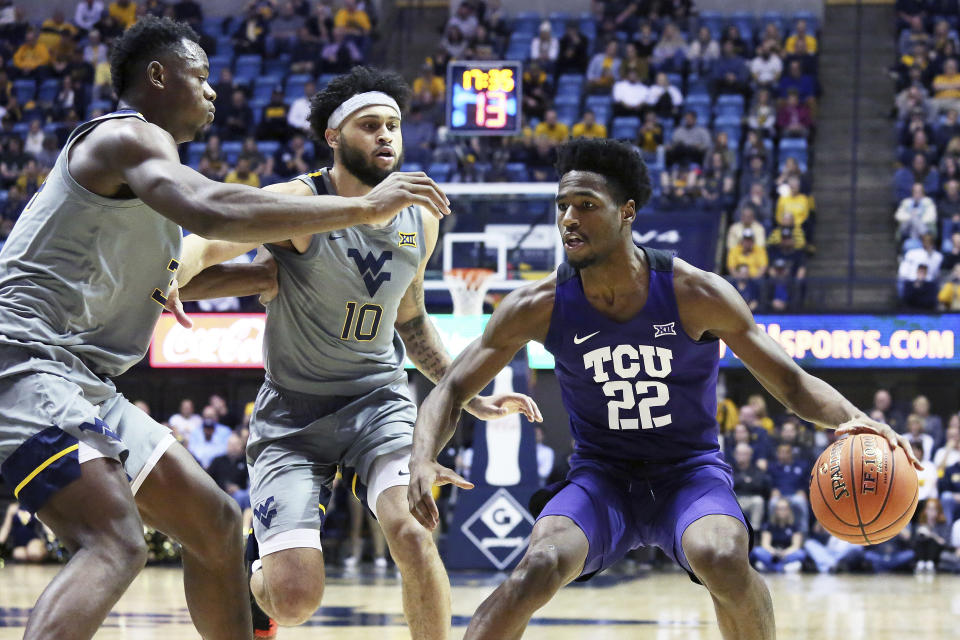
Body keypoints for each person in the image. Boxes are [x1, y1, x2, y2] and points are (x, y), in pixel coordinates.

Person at [0, 17, 449, 640]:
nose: (214, 91)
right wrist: (363, 207)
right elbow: (211, 210)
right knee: (117, 543)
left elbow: (210, 273)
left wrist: (276, 277)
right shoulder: (129, 138)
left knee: (213, 524)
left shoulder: (143, 177)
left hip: (82, 381)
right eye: (202, 76)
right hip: (23, 360)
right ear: (158, 76)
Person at [406, 138, 919, 640]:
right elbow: (450, 390)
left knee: (723, 558)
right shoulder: (537, 304)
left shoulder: (695, 293)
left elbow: (790, 381)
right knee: (536, 567)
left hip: (688, 475)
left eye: (586, 205)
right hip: (600, 477)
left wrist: (855, 416)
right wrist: (423, 456)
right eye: (562, 205)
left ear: (627, 212)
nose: (568, 219)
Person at [179, 66, 534, 639]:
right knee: (294, 600)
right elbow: (214, 234)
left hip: (378, 403)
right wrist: (177, 269)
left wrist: (471, 396)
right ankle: (257, 576)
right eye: (370, 125)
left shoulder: (420, 216)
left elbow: (412, 319)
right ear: (334, 137)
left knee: (414, 532)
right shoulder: (299, 200)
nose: (387, 136)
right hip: (293, 416)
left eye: (393, 125)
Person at [750, 498, 807, 573]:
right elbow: (765, 544)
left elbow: (795, 546)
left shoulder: (795, 526)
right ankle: (782, 568)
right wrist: (775, 552)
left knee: (800, 553)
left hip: (787, 554)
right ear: (775, 511)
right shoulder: (768, 526)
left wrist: (784, 553)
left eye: (784, 508)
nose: (781, 511)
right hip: (772, 554)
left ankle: (771, 567)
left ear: (789, 510)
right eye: (779, 509)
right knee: (757, 551)